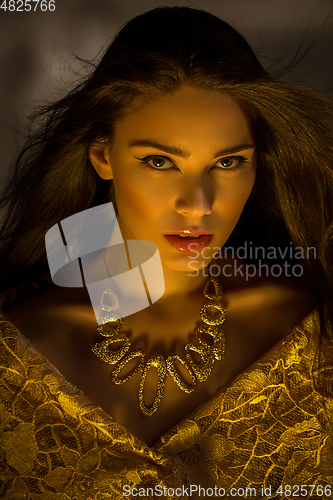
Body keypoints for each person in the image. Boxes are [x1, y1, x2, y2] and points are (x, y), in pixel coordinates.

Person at [0, 6, 332, 499]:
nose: (197, 204)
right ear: (103, 156)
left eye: (228, 162)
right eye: (160, 161)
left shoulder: (316, 331)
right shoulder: (12, 356)